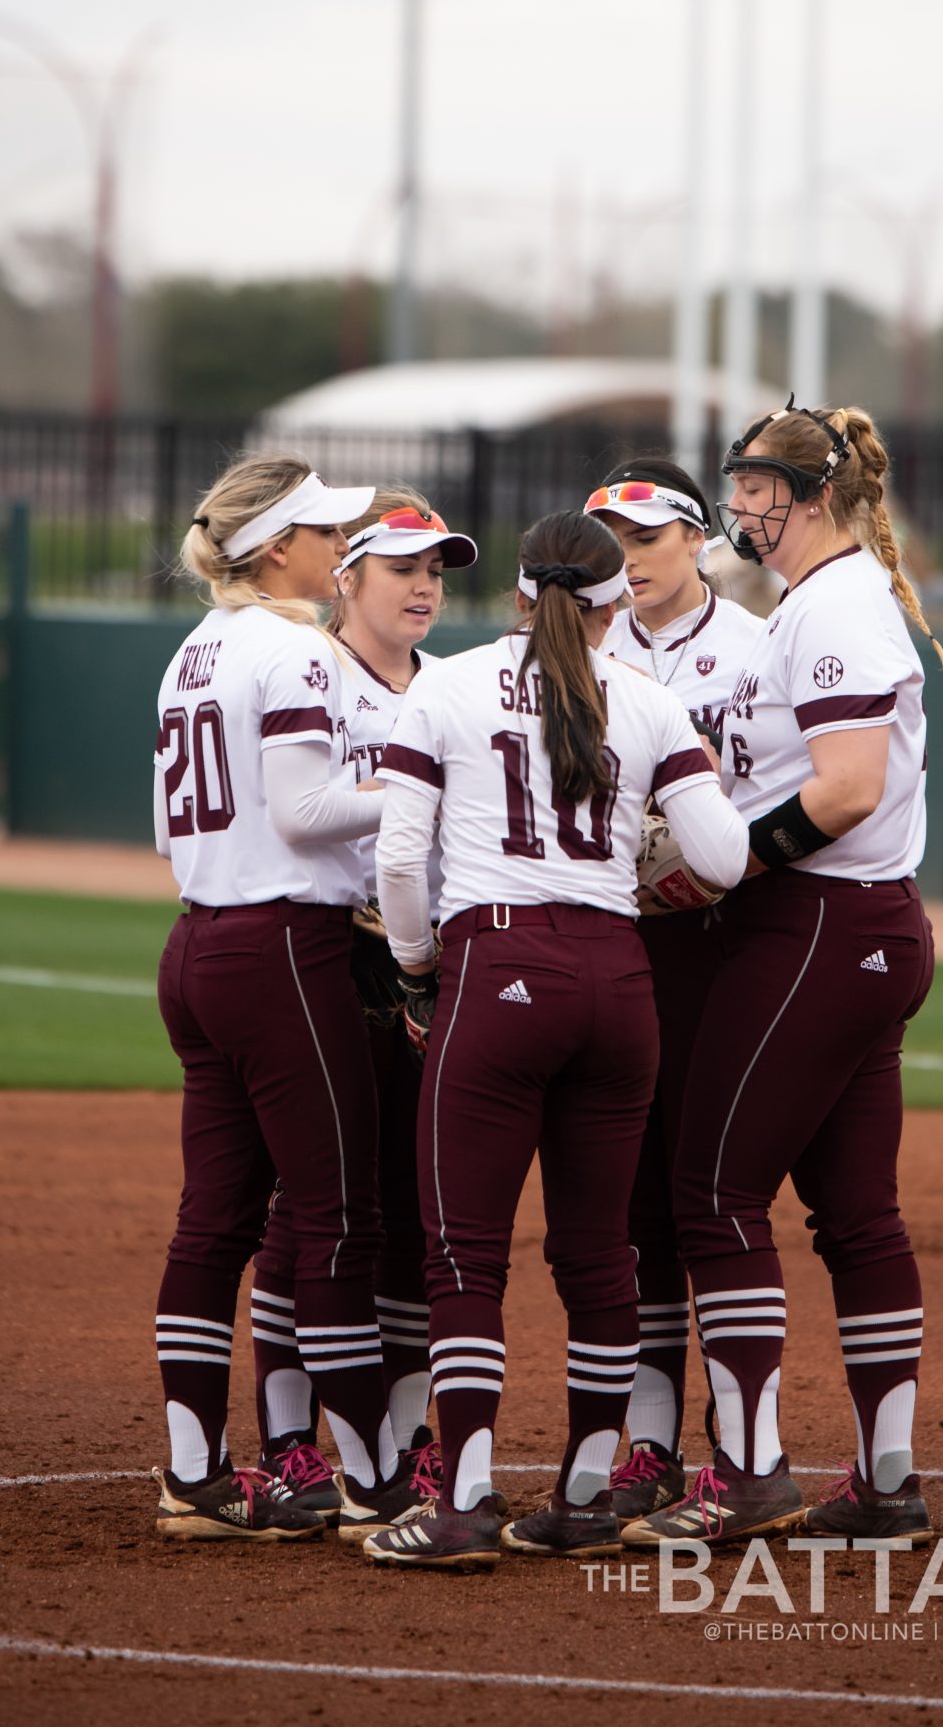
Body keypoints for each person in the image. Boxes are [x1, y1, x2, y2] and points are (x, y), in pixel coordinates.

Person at [362, 508, 755, 1569]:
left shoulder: (442, 684)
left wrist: (414, 968)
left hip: (496, 966)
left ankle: (469, 1496)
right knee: (599, 1250)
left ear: (518, 597)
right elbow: (719, 861)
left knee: (463, 1252)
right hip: (620, 978)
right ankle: (587, 1490)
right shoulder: (649, 698)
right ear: (612, 601)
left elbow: (401, 863)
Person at [629, 400, 943, 1553]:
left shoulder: (833, 602)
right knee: (856, 1214)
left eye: (758, 485)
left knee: (710, 1190)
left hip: (818, 922)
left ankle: (751, 1472)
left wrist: (725, 863)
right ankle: (883, 1481)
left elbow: (849, 783)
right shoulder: (824, 599)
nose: (741, 502)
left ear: (810, 495)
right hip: (864, 927)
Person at [148, 455, 435, 1544]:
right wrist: (424, 783)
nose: (335, 546)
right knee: (340, 1215)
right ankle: (368, 1478)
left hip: (198, 943)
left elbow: (175, 829)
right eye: (321, 532)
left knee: (214, 1219)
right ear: (277, 549)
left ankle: (195, 1473)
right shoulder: (294, 649)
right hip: (280, 949)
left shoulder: (193, 649)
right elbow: (308, 808)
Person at [246, 493, 478, 1521]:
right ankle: (293, 1438)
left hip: (422, 963)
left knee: (403, 1200)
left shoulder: (450, 686)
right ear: (348, 578)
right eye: (401, 568)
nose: (425, 586)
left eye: (436, 570)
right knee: (309, 1204)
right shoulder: (309, 668)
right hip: (331, 951)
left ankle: (400, 1433)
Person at [579, 461, 769, 1523]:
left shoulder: (756, 646)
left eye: (643, 538)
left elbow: (786, 797)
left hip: (722, 942)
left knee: (710, 1189)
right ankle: (645, 1438)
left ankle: (740, 1445)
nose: (625, 561)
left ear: (695, 539)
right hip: (615, 944)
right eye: (608, 540)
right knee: (633, 1197)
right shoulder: (577, 648)